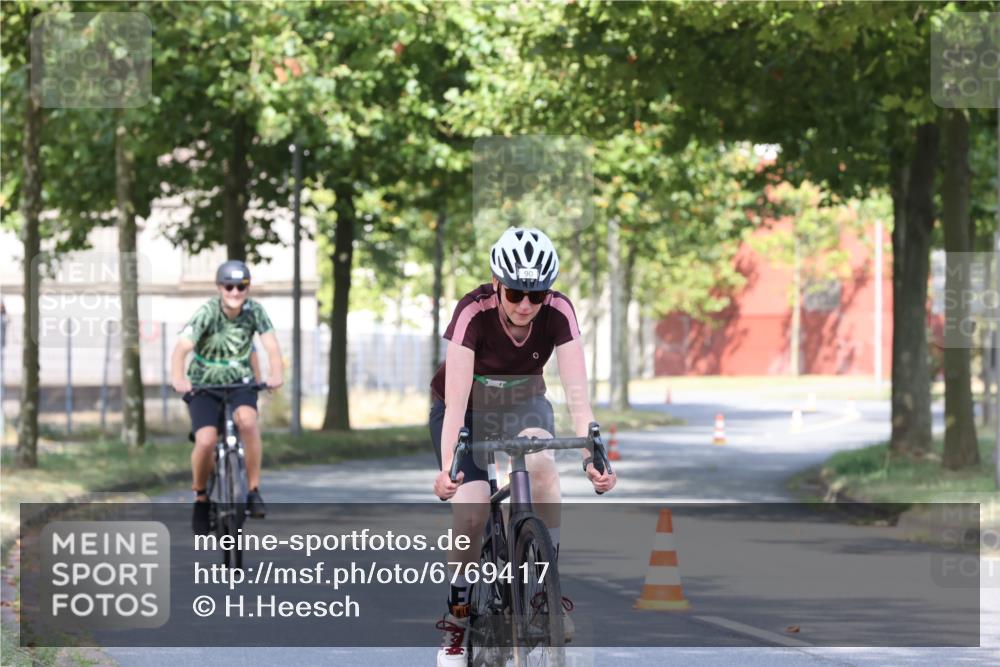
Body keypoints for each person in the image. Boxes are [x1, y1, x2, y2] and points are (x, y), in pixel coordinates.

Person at [430, 227, 617, 666]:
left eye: (536, 295)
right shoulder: (472, 312)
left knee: (542, 465)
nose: (525, 305)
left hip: (524, 404)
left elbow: (578, 398)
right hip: (467, 412)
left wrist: (594, 456)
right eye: (515, 293)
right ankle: (457, 619)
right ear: (497, 285)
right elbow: (455, 406)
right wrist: (447, 471)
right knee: (473, 510)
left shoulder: (559, 312)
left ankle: (543, 592)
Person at [170, 260, 284, 535]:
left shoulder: (255, 311)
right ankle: (200, 497)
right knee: (206, 439)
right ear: (220, 288)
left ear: (248, 288)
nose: (235, 292)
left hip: (239, 383)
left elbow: (271, 347)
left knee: (248, 423)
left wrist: (276, 374)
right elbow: (181, 350)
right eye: (229, 286)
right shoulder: (207, 313)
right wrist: (178, 379)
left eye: (241, 286)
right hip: (204, 385)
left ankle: (253, 490)